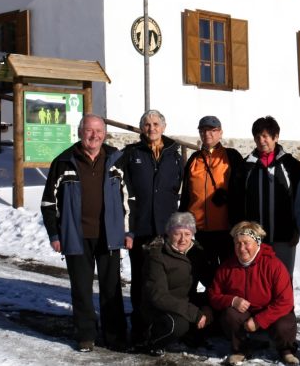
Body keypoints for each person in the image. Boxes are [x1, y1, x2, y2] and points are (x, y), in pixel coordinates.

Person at [41, 113, 129, 352]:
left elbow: (128, 199)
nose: (94, 135)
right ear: (80, 133)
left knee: (111, 288)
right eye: (89, 131)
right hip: (76, 236)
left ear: (104, 134)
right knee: (81, 288)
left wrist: (128, 231)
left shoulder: (115, 160)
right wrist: (55, 234)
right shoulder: (63, 161)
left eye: (99, 131)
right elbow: (49, 203)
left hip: (109, 235)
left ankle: (115, 335)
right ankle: (86, 334)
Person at [121, 109, 184, 346]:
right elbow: (122, 191)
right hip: (140, 229)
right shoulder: (131, 154)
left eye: (156, 124)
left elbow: (178, 189)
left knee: (164, 281)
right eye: (147, 125)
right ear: (141, 129)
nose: (152, 128)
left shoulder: (174, 155)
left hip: (166, 230)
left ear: (164, 127)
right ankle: (139, 329)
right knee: (140, 279)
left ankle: (163, 329)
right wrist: (128, 229)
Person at [208, 221, 299, 365]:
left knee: (285, 322)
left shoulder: (274, 265)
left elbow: (285, 301)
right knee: (230, 314)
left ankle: (286, 351)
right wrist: (232, 301)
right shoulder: (226, 267)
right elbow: (213, 295)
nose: (241, 248)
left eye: (246, 243)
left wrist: (259, 321)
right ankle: (240, 350)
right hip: (244, 316)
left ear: (257, 243)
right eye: (237, 243)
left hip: (270, 314)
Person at [234, 116, 300, 276]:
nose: (261, 140)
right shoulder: (247, 166)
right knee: (257, 279)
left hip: (284, 236)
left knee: (283, 278)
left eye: (265, 136)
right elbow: (238, 200)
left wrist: (297, 230)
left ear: (276, 137)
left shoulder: (291, 165)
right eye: (257, 137)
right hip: (254, 237)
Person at [179, 115, 244, 286]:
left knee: (229, 275)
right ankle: (209, 307)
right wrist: (181, 223)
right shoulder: (194, 159)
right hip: (199, 231)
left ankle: (226, 309)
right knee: (204, 275)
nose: (207, 134)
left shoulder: (231, 157)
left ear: (220, 133)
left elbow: (243, 188)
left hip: (226, 230)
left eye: (212, 130)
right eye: (203, 130)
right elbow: (186, 194)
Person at [142, 212, 213, 356]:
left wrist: (207, 306)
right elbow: (159, 296)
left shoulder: (197, 252)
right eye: (177, 234)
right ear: (169, 234)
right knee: (179, 325)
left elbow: (211, 281)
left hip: (185, 302)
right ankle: (152, 341)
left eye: (187, 234)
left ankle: (189, 336)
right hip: (161, 307)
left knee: (215, 309)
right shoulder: (157, 255)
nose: (183, 239)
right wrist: (194, 313)